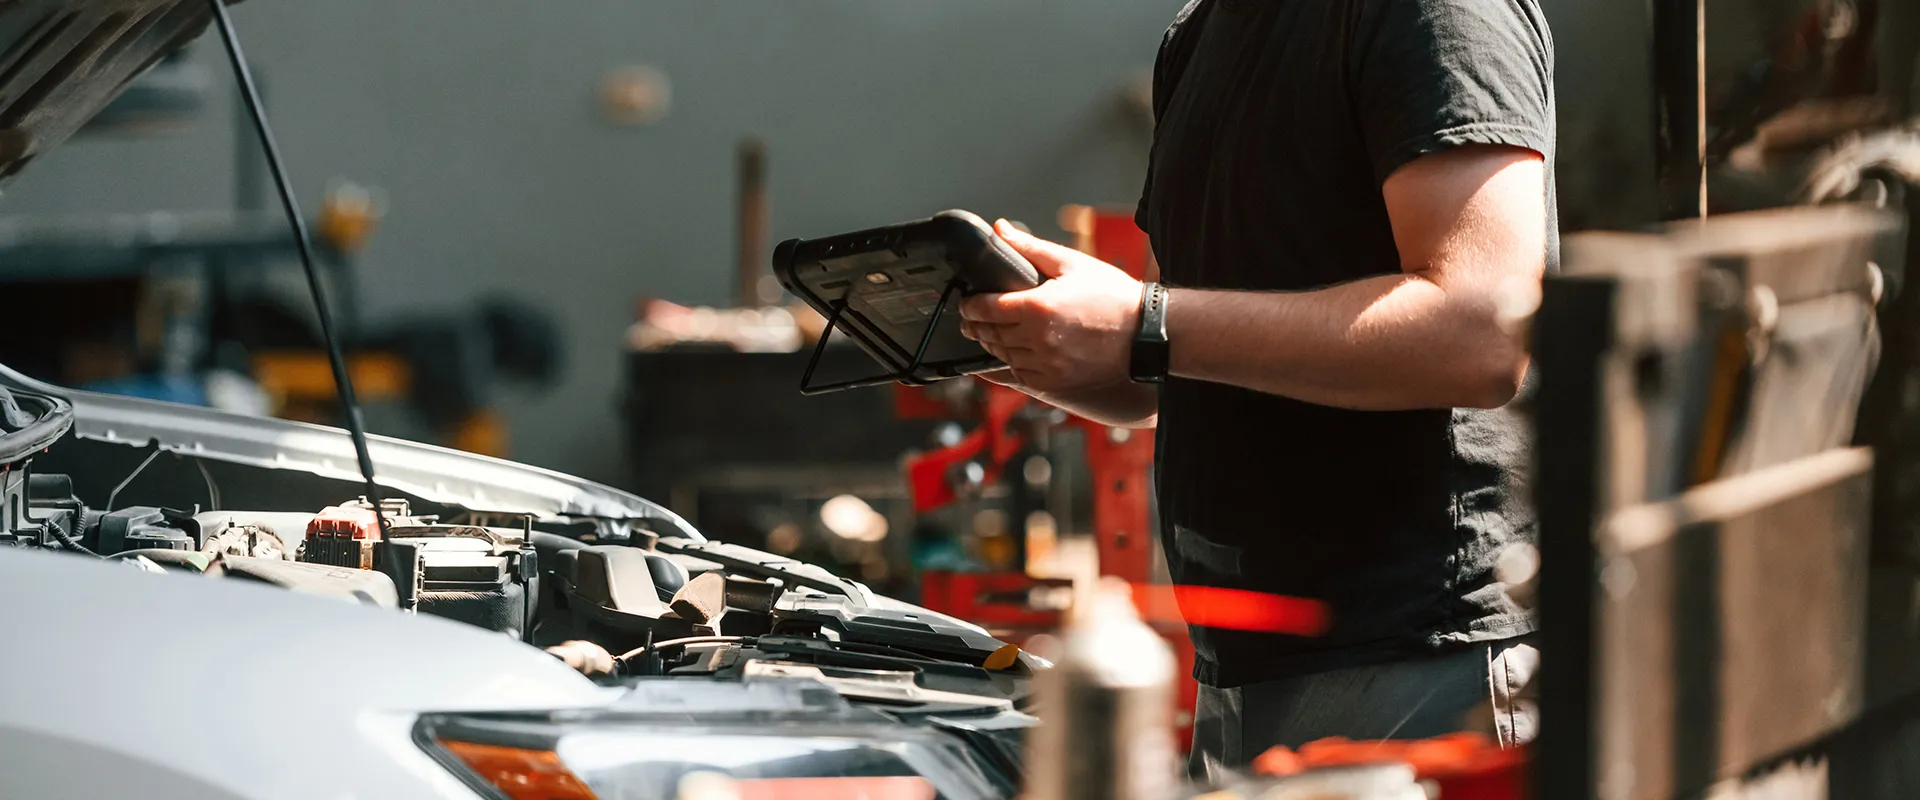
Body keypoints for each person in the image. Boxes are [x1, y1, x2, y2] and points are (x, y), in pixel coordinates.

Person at [957, 0, 1555, 780]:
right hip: (1239, 665)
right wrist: (1044, 343)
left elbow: (1483, 333)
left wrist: (1146, 322)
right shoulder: (1206, 30)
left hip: (1411, 652)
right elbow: (1196, 354)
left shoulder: (1429, 10)